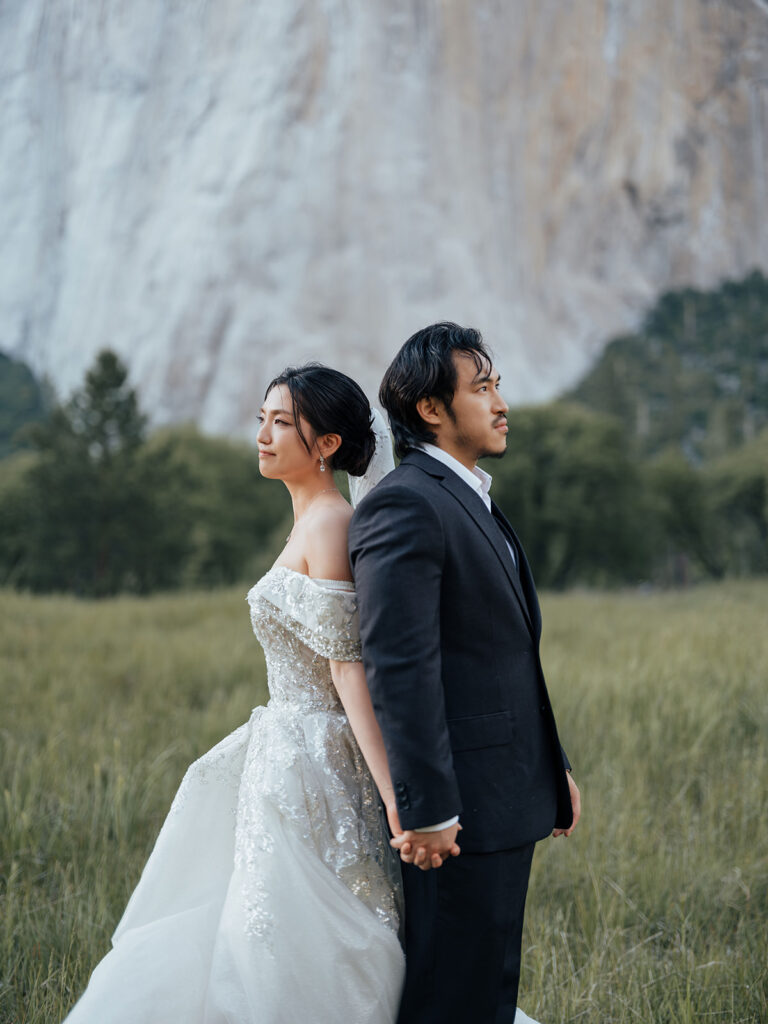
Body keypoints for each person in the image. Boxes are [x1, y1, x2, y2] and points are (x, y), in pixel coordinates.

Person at [63, 364, 405, 1024]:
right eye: (262, 421)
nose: (264, 436)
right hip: (280, 751)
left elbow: (347, 671)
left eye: (283, 423)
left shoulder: (330, 524)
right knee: (258, 929)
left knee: (309, 932)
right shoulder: (308, 521)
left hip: (315, 760)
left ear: (327, 444)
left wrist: (395, 801)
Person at [349, 323, 581, 1024]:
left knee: (487, 994)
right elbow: (400, 665)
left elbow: (498, 657)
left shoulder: (470, 495)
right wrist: (428, 810)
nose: (500, 402)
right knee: (454, 1003)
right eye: (481, 387)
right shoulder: (407, 502)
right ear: (429, 408)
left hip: (506, 794)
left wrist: (553, 767)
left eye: (497, 385)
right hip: (458, 816)